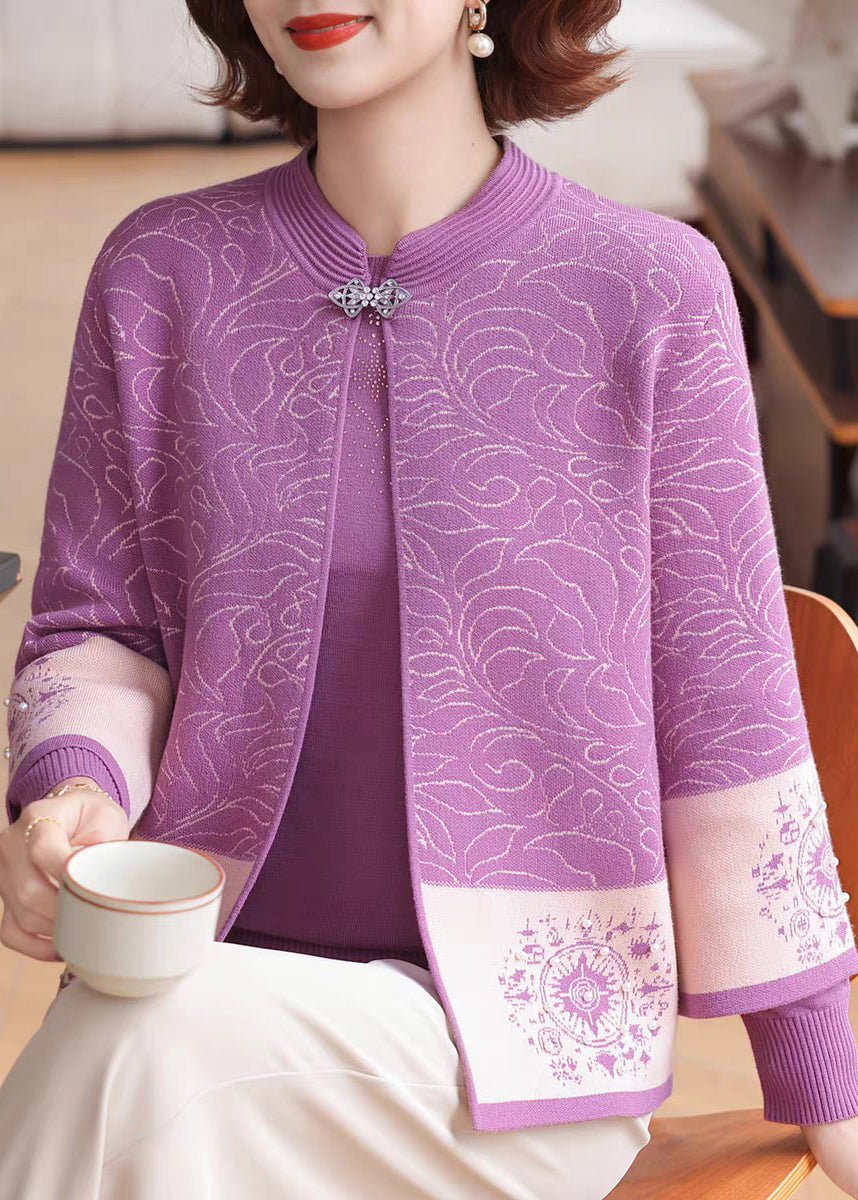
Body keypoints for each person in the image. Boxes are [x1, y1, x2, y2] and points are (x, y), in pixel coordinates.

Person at [1, 2, 858, 1197]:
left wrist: (824, 1084)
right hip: (203, 974)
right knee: (143, 1043)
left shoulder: (649, 290)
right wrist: (73, 787)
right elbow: (101, 624)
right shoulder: (162, 272)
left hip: (512, 1064)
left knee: (133, 1045)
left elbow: (728, 705)